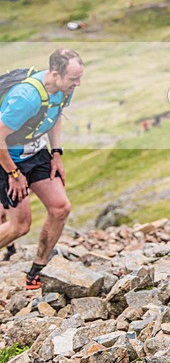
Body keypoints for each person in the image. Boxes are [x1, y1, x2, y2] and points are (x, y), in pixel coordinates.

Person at [0, 49, 84, 289]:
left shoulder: (63, 89)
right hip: (9, 158)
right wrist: (13, 174)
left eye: (79, 78)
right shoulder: (26, 97)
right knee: (20, 226)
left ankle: (37, 270)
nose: (77, 84)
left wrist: (56, 153)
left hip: (36, 152)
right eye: (73, 80)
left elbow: (55, 115)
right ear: (55, 74)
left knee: (60, 208)